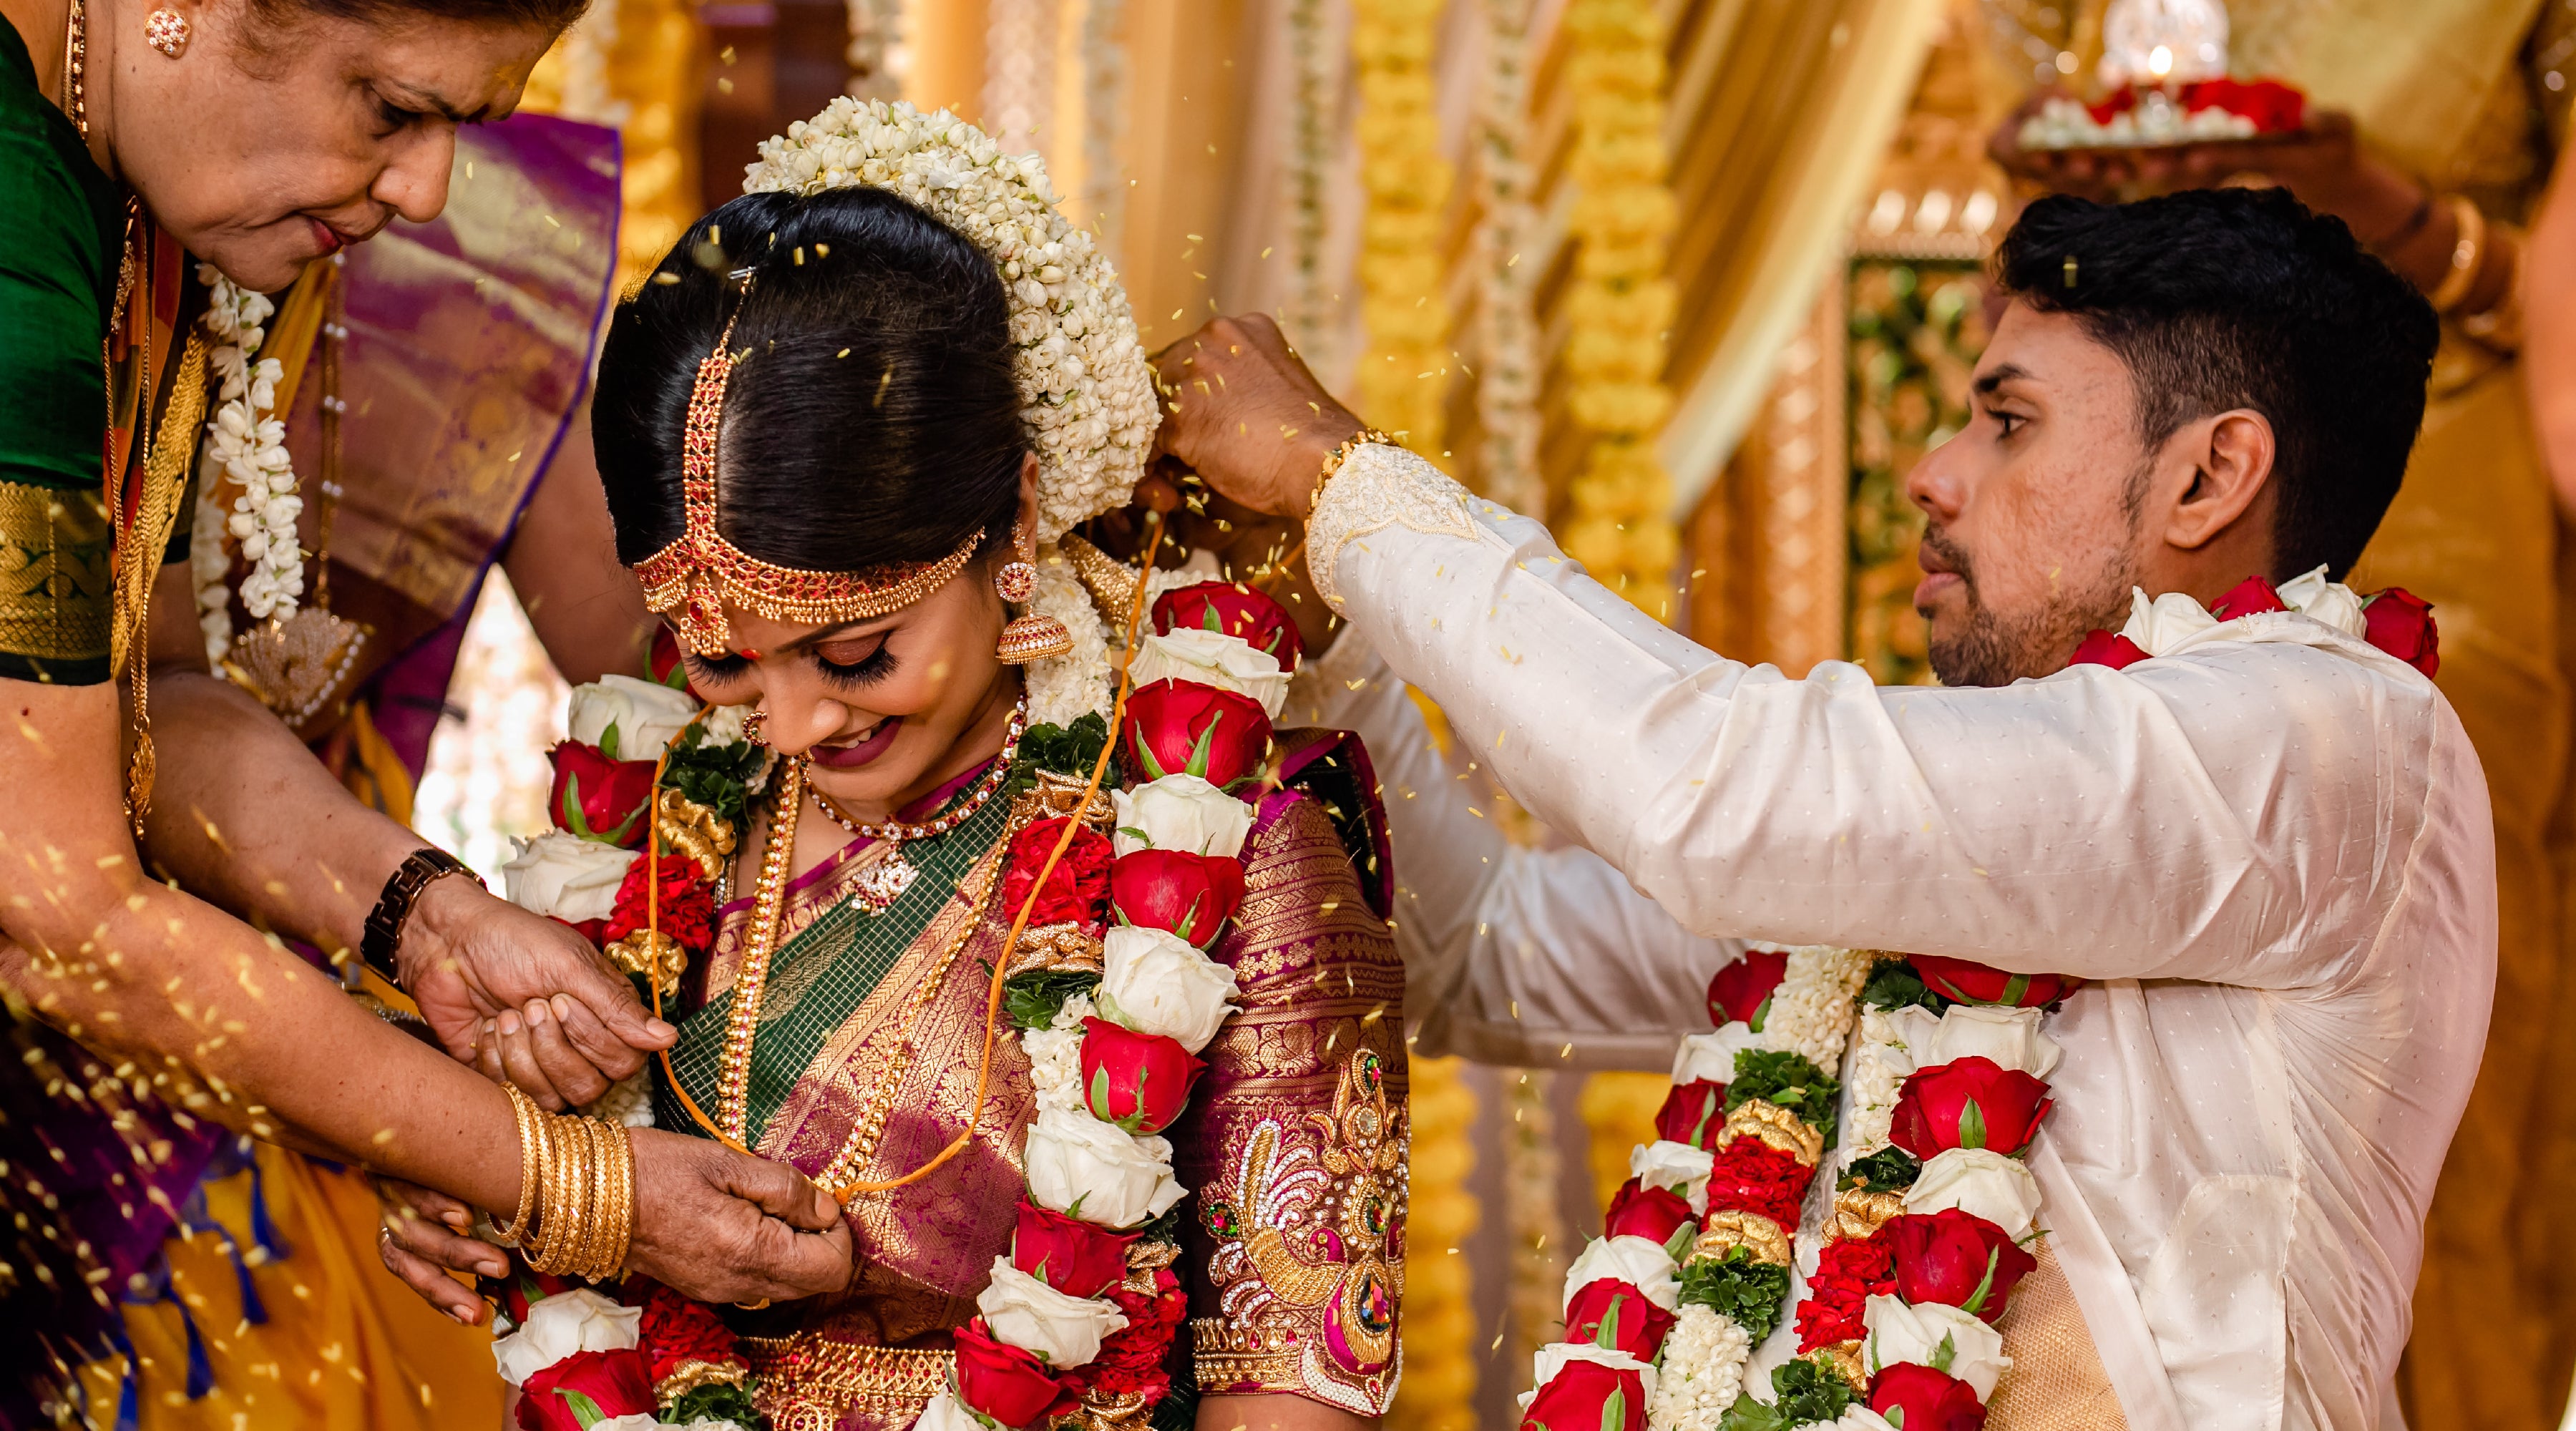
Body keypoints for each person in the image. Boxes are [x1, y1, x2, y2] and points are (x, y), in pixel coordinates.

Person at [1161, 187, 2490, 1431]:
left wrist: (1346, 485)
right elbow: (1488, 953)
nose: (1934, 473)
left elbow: (1725, 795)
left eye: (2007, 421)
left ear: (2211, 477)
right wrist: (1330, 637)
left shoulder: (2334, 743)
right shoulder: (1963, 832)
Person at [371, 112, 1410, 1431]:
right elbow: (572, 1207)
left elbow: (1298, 1394)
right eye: (722, 663)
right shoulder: (661, 823)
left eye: (854, 655)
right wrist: (494, 1177)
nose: (791, 724)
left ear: (1015, 518)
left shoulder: (1238, 858)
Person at [0, 0, 848, 1414]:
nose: (435, 195)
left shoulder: (124, 172)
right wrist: (582, 1190)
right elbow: (56, 912)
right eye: (390, 109)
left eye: (463, 124)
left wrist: (424, 913)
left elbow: (139, 705)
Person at [1979, 7, 2573, 1419]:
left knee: (2433, 1051)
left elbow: (2537, 303)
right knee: (2087, 1008)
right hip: (2133, 488)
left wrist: (2371, 204)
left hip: (2432, 505)